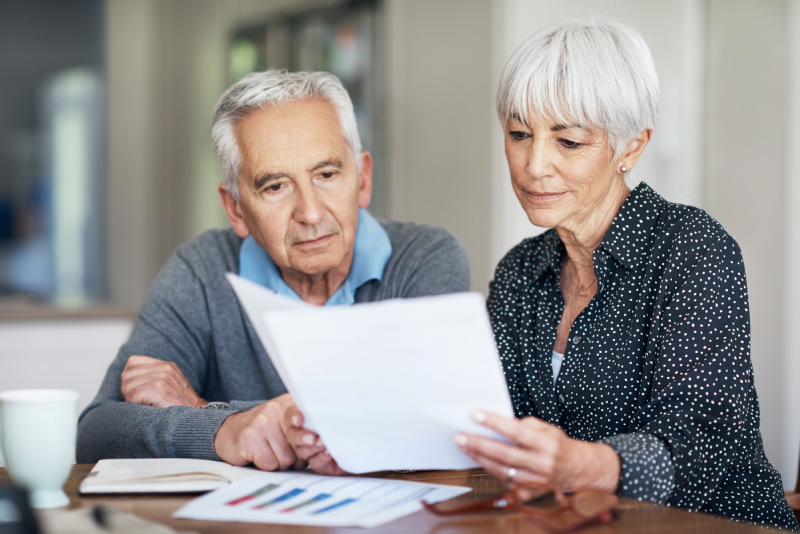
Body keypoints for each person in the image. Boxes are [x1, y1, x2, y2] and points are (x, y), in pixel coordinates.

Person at [288, 17, 798, 530]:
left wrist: (583, 464)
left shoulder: (691, 249)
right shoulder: (519, 273)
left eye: (568, 142)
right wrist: (369, 449)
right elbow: (478, 425)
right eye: (519, 134)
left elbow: (706, 442)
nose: (534, 165)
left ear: (632, 147)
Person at [76, 70, 470, 471]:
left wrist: (205, 410)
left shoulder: (426, 257)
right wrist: (227, 429)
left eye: (327, 175)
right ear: (235, 209)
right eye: (275, 186)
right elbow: (96, 432)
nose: (311, 213)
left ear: (363, 179)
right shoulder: (200, 270)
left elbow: (429, 419)